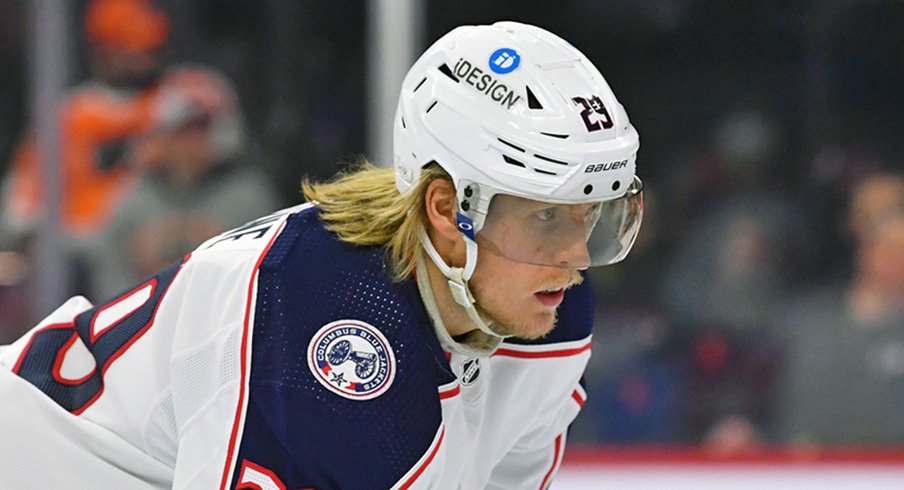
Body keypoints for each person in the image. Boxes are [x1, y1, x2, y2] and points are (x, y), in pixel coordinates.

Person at [0, 21, 644, 489]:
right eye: (546, 216)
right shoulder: (317, 322)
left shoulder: (544, 302)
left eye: (592, 217)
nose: (576, 258)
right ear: (448, 210)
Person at [88, 65, 280, 300]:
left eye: (200, 129)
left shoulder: (250, 199)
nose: (189, 142)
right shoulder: (132, 197)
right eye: (181, 130)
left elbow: (267, 280)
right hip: (148, 327)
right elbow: (109, 281)